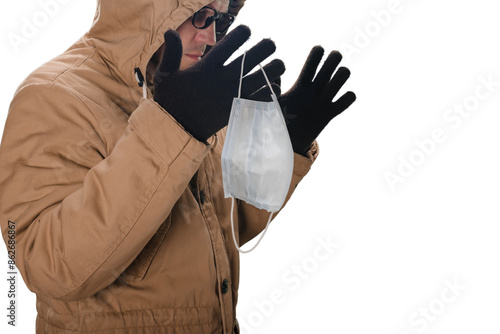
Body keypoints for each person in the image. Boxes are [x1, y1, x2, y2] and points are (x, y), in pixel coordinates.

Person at [0, 0, 355, 333]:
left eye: (219, 18)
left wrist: (284, 146)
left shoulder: (188, 90)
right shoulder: (54, 94)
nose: (211, 36)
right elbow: (49, 267)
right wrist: (172, 126)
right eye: (199, 12)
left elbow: (223, 228)